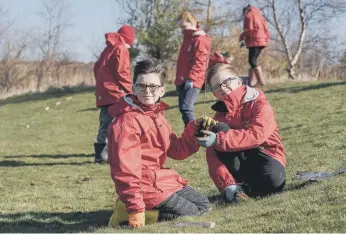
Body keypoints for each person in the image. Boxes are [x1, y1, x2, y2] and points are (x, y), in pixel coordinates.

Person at [107, 59, 210, 228]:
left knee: (203, 205)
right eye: (142, 86)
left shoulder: (156, 114)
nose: (148, 91)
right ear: (134, 88)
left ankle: (130, 209)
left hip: (160, 180)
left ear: (162, 90)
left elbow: (176, 150)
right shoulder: (126, 122)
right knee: (193, 212)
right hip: (143, 187)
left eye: (153, 86)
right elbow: (125, 170)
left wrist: (194, 129)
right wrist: (135, 207)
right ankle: (125, 214)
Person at [195, 63, 286, 202]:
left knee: (274, 182)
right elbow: (212, 156)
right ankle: (237, 188)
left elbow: (257, 135)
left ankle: (247, 188)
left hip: (266, 155)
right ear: (214, 94)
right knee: (219, 128)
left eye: (226, 82)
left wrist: (219, 140)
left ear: (239, 81)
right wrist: (226, 186)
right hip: (241, 163)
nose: (223, 88)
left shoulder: (259, 104)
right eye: (217, 87)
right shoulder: (218, 117)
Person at [93, 25, 135, 163]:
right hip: (115, 93)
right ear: (128, 40)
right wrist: (130, 90)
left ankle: (101, 154)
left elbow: (97, 67)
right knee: (120, 123)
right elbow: (122, 72)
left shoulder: (108, 48)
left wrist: (102, 86)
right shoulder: (120, 48)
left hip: (104, 91)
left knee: (104, 123)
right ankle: (115, 152)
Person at [175, 12, 212, 127]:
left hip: (192, 80)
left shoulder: (200, 39)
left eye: (184, 26)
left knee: (186, 107)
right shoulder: (188, 39)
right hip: (182, 79)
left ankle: (195, 133)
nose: (182, 30)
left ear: (192, 23)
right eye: (180, 27)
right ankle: (190, 133)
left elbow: (200, 62)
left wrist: (192, 79)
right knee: (183, 108)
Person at [240, 4, 270, 87]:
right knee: (253, 61)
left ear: (245, 11)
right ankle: (251, 82)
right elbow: (266, 29)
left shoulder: (249, 16)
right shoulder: (260, 16)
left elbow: (249, 29)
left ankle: (261, 81)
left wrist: (242, 37)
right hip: (262, 41)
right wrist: (266, 39)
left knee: (251, 61)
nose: (243, 15)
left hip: (254, 40)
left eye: (243, 13)